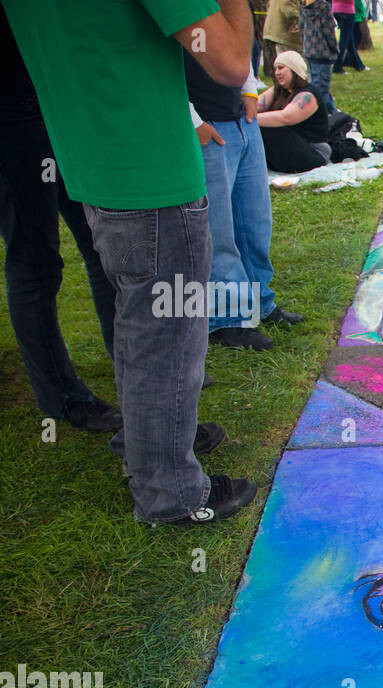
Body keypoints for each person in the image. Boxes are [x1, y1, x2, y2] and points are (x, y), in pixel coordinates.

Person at [3, 0, 259, 525]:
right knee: (166, 335)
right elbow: (231, 63)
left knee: (137, 318)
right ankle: (169, 489)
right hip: (152, 171)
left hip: (95, 162)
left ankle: (152, 440)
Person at [0, 6, 120, 433]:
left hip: (60, 102)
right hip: (14, 111)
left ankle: (138, 369)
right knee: (36, 263)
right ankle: (61, 395)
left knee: (104, 242)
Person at [185, 55, 307, 352]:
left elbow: (239, 52)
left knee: (254, 221)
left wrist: (249, 92)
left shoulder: (231, 8)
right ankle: (227, 319)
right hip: (206, 122)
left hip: (241, 119)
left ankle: (260, 303)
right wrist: (192, 119)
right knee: (220, 229)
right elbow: (161, 62)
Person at [258, 51, 332, 171]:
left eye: (281, 68)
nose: (277, 73)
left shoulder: (308, 95)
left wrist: (251, 118)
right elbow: (254, 106)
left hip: (314, 153)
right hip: (292, 148)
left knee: (265, 126)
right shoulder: (278, 91)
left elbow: (286, 117)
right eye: (275, 69)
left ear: (295, 70)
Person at [299, 0, 338, 111]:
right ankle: (322, 113)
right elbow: (328, 30)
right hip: (322, 52)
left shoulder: (304, 6)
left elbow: (301, 27)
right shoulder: (324, 7)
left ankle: (332, 110)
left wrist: (305, 45)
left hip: (309, 50)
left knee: (316, 83)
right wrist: (334, 47)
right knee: (321, 88)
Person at [263, 0, 303, 76]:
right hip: (284, 34)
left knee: (284, 63)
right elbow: (289, 12)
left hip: (275, 31)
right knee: (289, 64)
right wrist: (305, 16)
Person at [333, 0, 366, 71]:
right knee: (344, 41)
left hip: (336, 9)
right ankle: (337, 66)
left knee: (349, 40)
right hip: (347, 10)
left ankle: (357, 64)